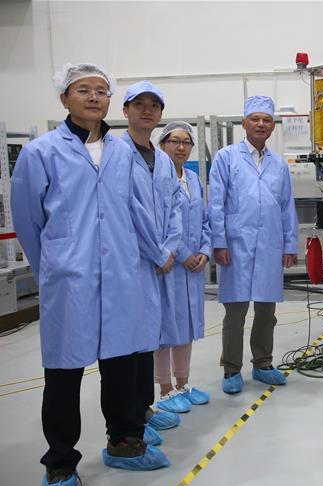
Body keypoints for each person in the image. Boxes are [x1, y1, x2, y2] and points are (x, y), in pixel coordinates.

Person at [11, 63, 171, 486]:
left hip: (121, 273)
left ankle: (124, 442)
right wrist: (55, 267)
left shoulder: (122, 152)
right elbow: (27, 219)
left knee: (121, 363)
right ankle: (60, 461)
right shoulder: (41, 152)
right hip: (70, 278)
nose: (94, 97)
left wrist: (155, 253)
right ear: (64, 98)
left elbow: (138, 209)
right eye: (84, 90)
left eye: (102, 90)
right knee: (63, 372)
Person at [208, 95, 298, 394]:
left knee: (266, 311)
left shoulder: (279, 164)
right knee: (235, 312)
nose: (261, 124)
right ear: (244, 123)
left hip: (270, 243)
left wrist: (289, 245)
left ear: (273, 126)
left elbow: (287, 207)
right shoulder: (226, 157)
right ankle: (231, 369)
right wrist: (218, 242)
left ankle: (263, 364)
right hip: (235, 244)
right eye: (255, 119)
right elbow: (216, 203)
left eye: (267, 120)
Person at [119, 81, 187, 435]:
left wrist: (171, 247)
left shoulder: (162, 160)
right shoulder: (115, 154)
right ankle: (130, 418)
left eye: (154, 105)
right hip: (132, 263)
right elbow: (128, 210)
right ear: (125, 110)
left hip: (162, 261)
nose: (147, 110)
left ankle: (144, 409)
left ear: (160, 114)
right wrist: (158, 251)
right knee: (129, 345)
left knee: (149, 339)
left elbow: (177, 205)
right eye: (138, 104)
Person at [156, 121, 212, 407]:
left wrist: (204, 251)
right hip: (170, 266)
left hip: (193, 269)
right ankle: (165, 390)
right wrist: (185, 254)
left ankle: (183, 383)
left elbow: (204, 220)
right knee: (167, 327)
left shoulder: (192, 179)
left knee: (187, 326)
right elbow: (161, 225)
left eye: (186, 142)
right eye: (174, 141)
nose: (181, 147)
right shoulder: (157, 178)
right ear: (162, 144)